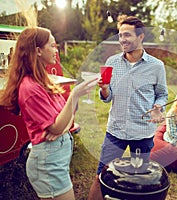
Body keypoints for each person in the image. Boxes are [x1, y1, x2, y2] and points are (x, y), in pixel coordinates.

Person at [0, 27, 96, 200]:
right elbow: (58, 123)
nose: (56, 50)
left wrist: (61, 128)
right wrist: (74, 95)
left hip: (55, 160)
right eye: (52, 46)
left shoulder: (42, 79)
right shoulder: (30, 89)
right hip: (47, 164)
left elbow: (67, 120)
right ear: (37, 51)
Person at [88, 16, 168, 200]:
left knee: (138, 181)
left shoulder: (157, 66)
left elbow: (162, 94)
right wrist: (104, 89)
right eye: (120, 35)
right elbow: (107, 98)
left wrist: (158, 107)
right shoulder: (112, 62)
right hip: (115, 131)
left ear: (140, 37)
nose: (122, 39)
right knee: (101, 176)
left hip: (142, 133)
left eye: (127, 35)